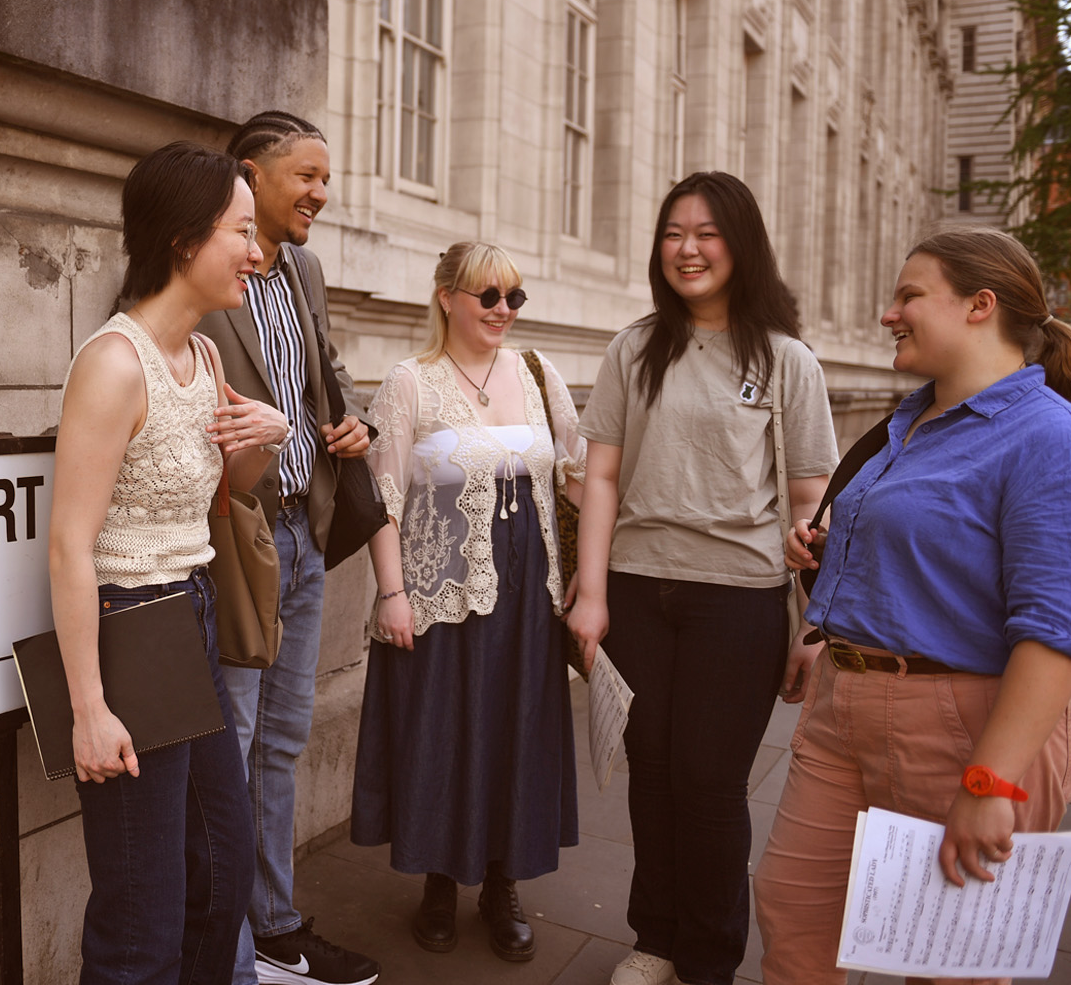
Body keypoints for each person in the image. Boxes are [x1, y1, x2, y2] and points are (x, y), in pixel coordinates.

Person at [753, 228, 1071, 985]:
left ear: (979, 306)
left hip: (963, 730)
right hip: (840, 710)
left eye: (909, 296)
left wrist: (991, 782)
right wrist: (832, 553)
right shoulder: (910, 420)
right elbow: (936, 550)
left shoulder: (1047, 437)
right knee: (793, 916)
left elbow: (1053, 633)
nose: (889, 312)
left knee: (948, 964)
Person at [565, 171, 839, 985]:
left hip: (741, 601)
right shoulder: (635, 347)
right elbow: (602, 478)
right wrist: (591, 594)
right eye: (673, 233)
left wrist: (815, 624)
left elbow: (812, 504)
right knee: (650, 772)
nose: (687, 249)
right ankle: (657, 939)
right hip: (641, 589)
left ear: (741, 244)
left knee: (710, 782)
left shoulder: (787, 361)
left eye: (707, 233)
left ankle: (710, 960)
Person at [50, 140, 292, 985]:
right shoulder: (113, 365)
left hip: (188, 613)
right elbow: (69, 546)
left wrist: (265, 437)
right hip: (128, 624)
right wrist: (88, 709)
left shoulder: (208, 356)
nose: (257, 254)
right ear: (186, 240)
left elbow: (227, 492)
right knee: (140, 915)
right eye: (242, 231)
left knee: (220, 874)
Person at [353, 241, 585, 959]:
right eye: (489, 296)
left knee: (516, 736)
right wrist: (392, 594)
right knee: (448, 737)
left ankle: (502, 883)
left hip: (529, 604)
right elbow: (382, 501)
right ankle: (439, 884)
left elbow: (577, 478)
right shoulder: (408, 383)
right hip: (442, 595)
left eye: (515, 297)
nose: (504, 311)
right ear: (447, 296)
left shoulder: (540, 374)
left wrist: (590, 578)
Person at [195, 112, 380, 985]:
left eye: (327, 179)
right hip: (238, 546)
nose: (320, 194)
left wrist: (353, 424)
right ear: (250, 174)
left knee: (282, 740)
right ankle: (228, 950)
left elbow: (325, 376)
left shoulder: (303, 268)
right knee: (232, 740)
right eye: (305, 176)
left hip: (305, 537)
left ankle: (274, 926)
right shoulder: (198, 262)